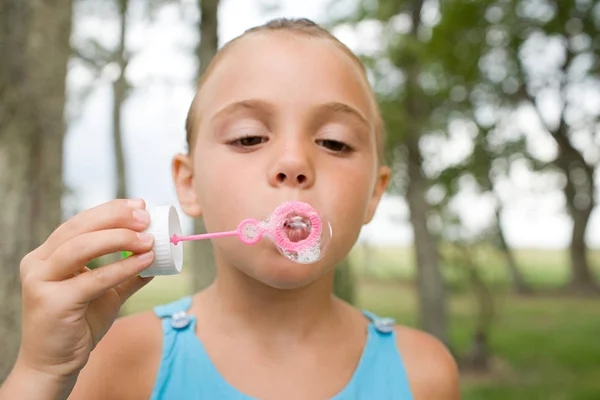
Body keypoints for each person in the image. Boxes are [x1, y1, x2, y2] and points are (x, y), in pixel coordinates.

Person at [0, 18, 460, 400]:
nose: (294, 163)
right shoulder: (115, 359)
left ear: (374, 194)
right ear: (189, 182)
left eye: (334, 142)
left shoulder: (424, 374)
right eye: (249, 138)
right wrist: (40, 373)